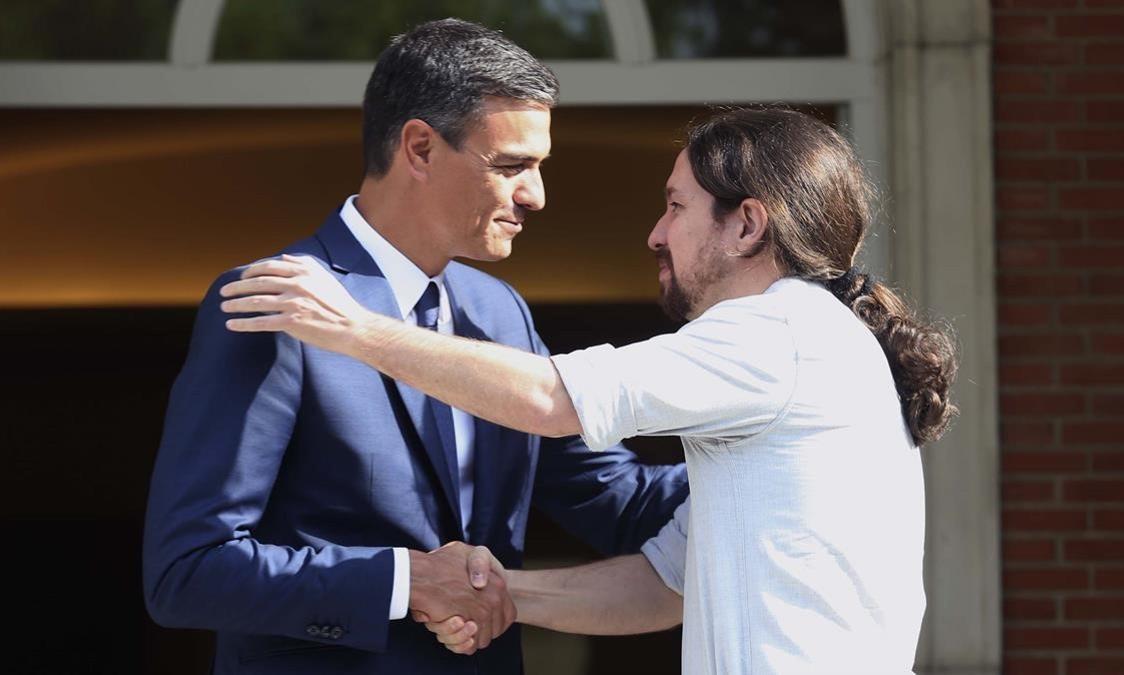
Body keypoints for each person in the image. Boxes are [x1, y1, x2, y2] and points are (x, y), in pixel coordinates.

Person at [220, 107, 959, 674]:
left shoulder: (780, 332)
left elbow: (552, 399)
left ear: (747, 225)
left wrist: (355, 330)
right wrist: (494, 590)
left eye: (676, 206)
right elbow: (660, 588)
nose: (655, 234)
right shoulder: (804, 347)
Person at [142, 18, 687, 675]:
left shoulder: (499, 310)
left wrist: (786, 452)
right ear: (421, 149)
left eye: (539, 167)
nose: (536, 196)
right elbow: (189, 570)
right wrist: (405, 580)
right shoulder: (276, 303)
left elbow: (617, 499)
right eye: (513, 165)